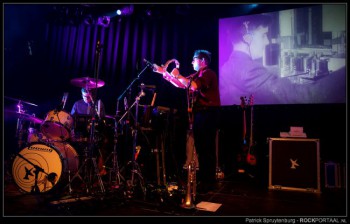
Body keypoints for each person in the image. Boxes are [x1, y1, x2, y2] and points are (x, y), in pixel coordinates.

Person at [219, 14, 346, 105]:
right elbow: (305, 97)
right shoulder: (248, 71)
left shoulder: (228, 66)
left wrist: (274, 71)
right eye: (264, 35)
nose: (267, 41)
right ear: (247, 38)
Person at [153, 49, 221, 194]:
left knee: (206, 148)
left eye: (194, 59)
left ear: (202, 61)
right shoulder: (197, 75)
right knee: (201, 148)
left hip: (208, 113)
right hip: (200, 114)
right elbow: (182, 84)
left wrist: (179, 75)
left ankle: (209, 182)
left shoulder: (208, 73)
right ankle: (205, 180)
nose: (191, 61)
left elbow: (193, 85)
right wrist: (165, 74)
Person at [71, 87, 110, 176]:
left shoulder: (98, 104)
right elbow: (71, 120)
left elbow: (102, 120)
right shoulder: (77, 104)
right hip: (80, 134)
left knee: (102, 144)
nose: (86, 99)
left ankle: (98, 170)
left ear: (92, 96)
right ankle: (77, 169)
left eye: (88, 97)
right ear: (82, 95)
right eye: (85, 97)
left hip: (95, 133)